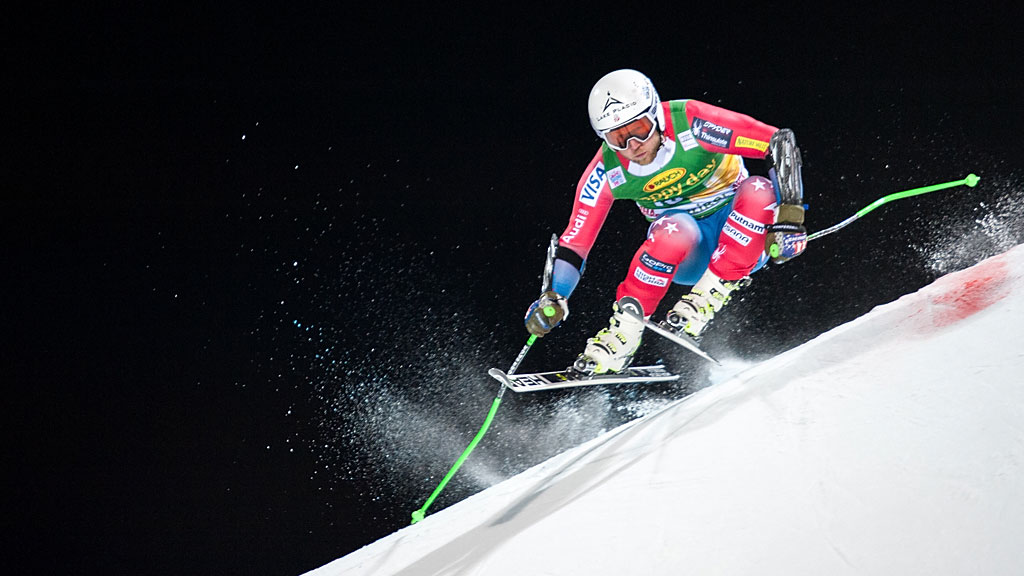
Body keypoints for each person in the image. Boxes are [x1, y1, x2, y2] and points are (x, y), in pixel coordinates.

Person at [524, 69, 807, 375]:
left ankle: (709, 292)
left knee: (758, 189)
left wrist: (791, 219)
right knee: (674, 231)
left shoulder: (691, 122)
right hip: (689, 254)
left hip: (745, 237)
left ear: (655, 113)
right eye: (618, 138)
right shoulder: (607, 169)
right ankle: (625, 333)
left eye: (641, 128)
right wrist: (554, 296)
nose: (634, 145)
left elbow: (777, 142)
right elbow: (575, 243)